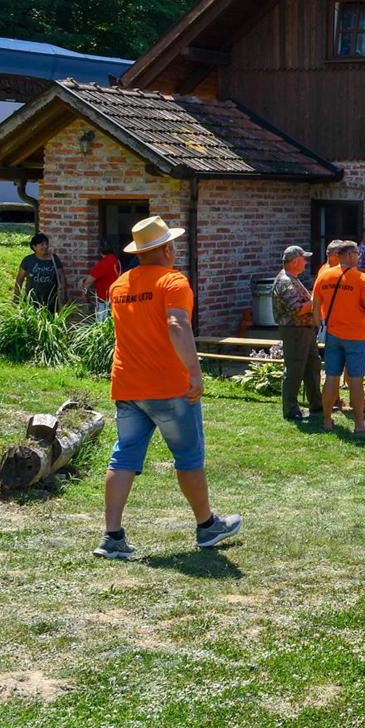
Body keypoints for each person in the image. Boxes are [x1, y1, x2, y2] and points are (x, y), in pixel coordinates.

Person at [94, 216, 240, 560]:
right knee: (188, 456)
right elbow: (176, 324)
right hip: (169, 386)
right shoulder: (173, 281)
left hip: (128, 384)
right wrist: (195, 372)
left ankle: (112, 537)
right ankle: (207, 526)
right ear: (166, 249)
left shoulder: (119, 285)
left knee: (124, 455)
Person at [315, 240, 365, 434]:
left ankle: (327, 421)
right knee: (356, 379)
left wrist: (320, 326)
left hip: (332, 334)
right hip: (356, 335)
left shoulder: (324, 275)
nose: (359, 257)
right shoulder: (360, 278)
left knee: (331, 377)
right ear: (350, 255)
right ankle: (359, 424)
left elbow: (315, 306)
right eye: (357, 253)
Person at [270, 245, 321, 422]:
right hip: (294, 330)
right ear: (294, 261)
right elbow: (297, 309)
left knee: (312, 366)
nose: (306, 262)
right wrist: (317, 300)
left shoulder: (292, 279)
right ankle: (291, 410)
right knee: (295, 369)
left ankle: (316, 404)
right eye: (303, 259)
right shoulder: (285, 281)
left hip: (305, 330)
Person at [14, 231, 66, 311]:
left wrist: (63, 295)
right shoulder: (28, 260)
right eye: (42, 244)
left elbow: (62, 277)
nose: (45, 246)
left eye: (46, 244)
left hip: (51, 303)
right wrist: (16, 296)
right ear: (34, 247)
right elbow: (19, 279)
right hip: (31, 302)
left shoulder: (54, 259)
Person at [84, 239, 122, 321]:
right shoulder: (116, 260)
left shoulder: (102, 264)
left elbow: (87, 284)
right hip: (116, 299)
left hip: (104, 302)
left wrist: (86, 298)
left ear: (100, 251)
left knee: (102, 325)